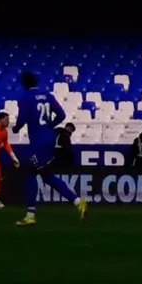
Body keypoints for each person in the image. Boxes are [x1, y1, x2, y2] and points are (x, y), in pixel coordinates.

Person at [11, 72, 84, 225]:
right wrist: (50, 125)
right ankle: (77, 202)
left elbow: (22, 119)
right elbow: (62, 115)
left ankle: (31, 216)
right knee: (44, 174)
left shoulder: (25, 98)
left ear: (24, 84)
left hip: (38, 142)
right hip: (49, 139)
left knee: (32, 173)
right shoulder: (47, 95)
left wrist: (16, 129)